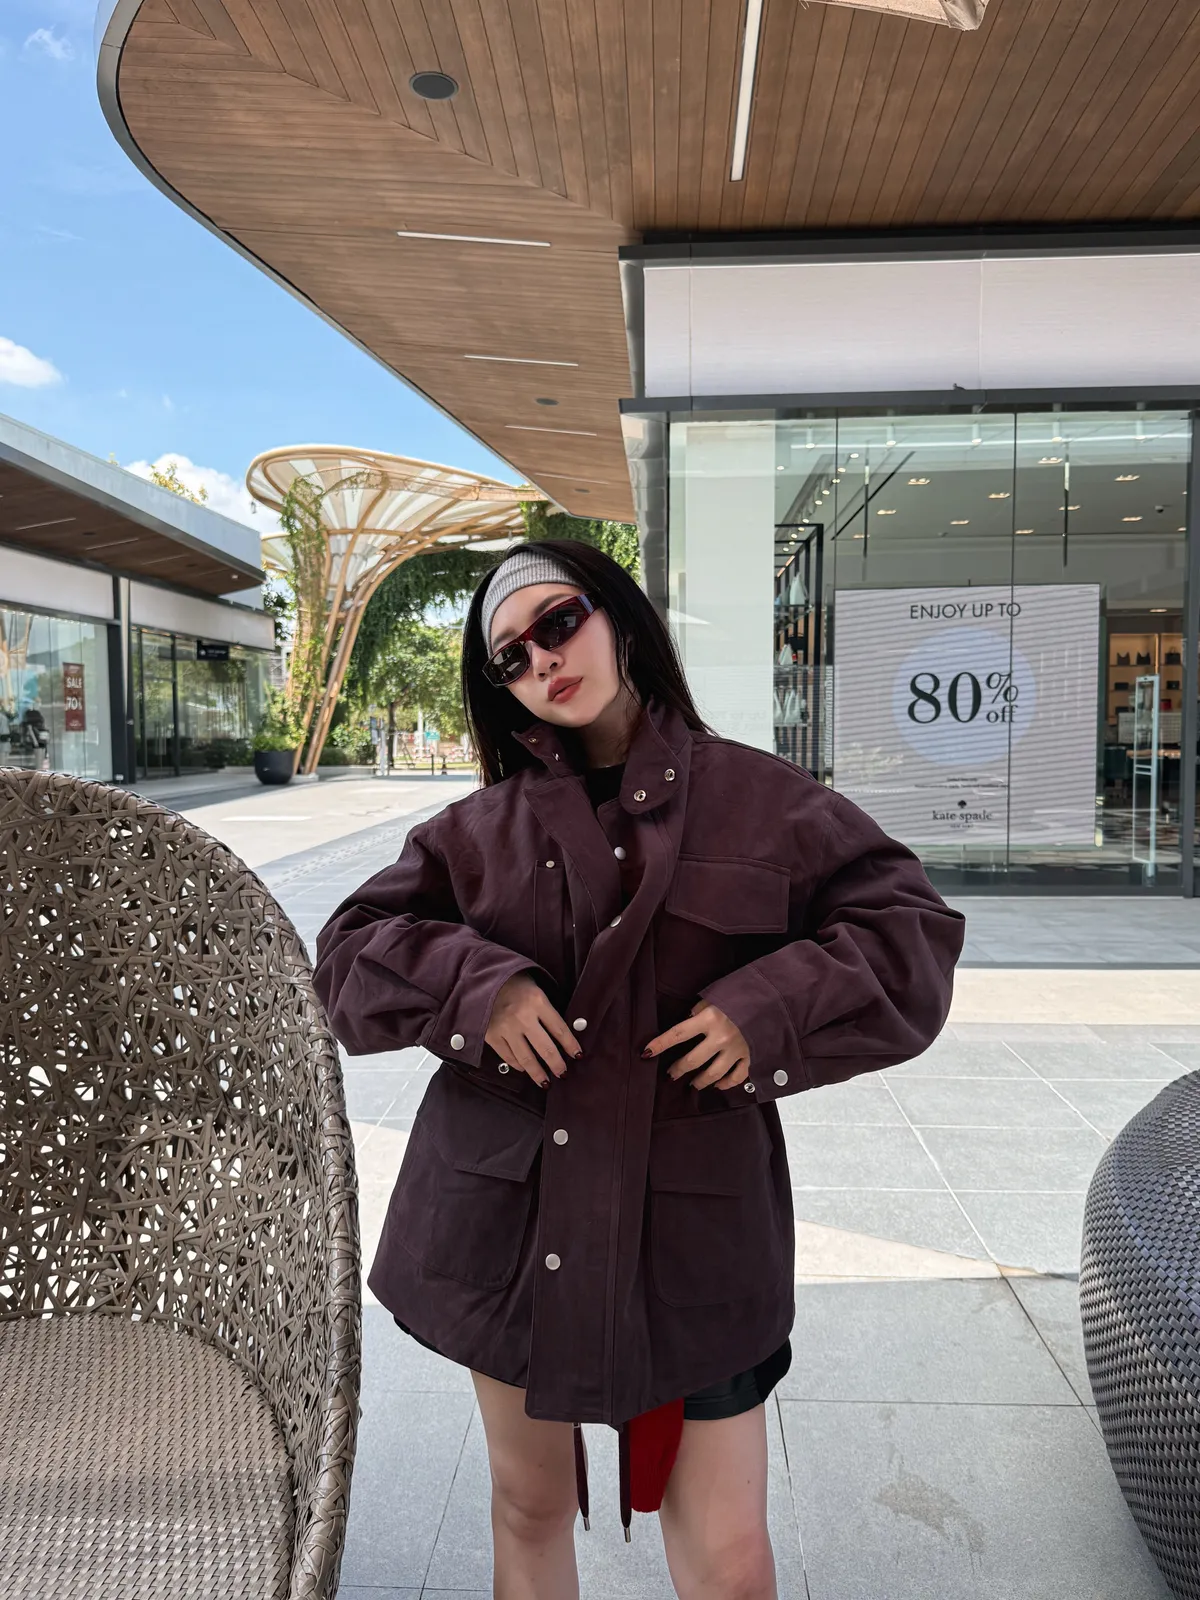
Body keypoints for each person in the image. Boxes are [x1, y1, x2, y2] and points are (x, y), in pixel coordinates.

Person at [314, 540, 965, 1600]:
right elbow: (348, 954)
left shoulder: (762, 800)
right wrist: (481, 989)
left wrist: (769, 1008)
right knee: (528, 1509)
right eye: (510, 655)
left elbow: (909, 933)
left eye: (558, 622)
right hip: (509, 1217)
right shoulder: (475, 831)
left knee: (729, 1554)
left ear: (617, 615)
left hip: (695, 1228)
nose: (541, 659)